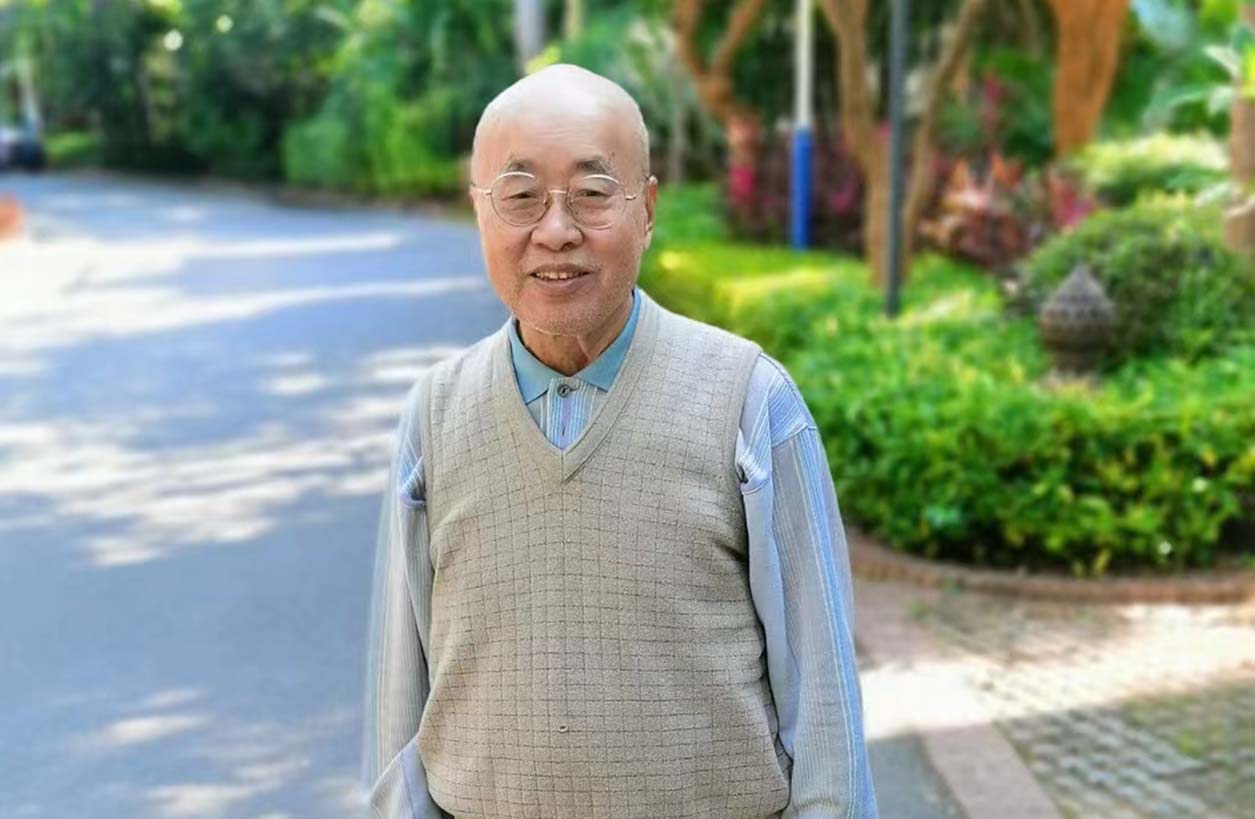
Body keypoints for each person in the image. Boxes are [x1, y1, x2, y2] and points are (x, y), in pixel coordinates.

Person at [361, 64, 878, 819]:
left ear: (648, 210)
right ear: (479, 210)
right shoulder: (434, 414)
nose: (556, 230)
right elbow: (399, 699)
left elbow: (823, 702)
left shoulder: (748, 400)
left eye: (593, 192)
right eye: (520, 196)